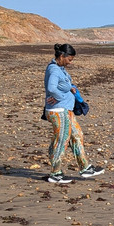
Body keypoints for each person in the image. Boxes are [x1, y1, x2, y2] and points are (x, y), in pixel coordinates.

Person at [44, 43, 105, 184]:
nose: (70, 62)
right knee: (61, 140)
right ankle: (55, 173)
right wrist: (59, 97)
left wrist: (70, 89)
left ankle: (85, 168)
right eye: (69, 59)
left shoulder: (60, 68)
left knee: (77, 136)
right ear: (61, 56)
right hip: (58, 111)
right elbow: (51, 88)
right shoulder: (54, 70)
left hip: (66, 110)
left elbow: (60, 85)